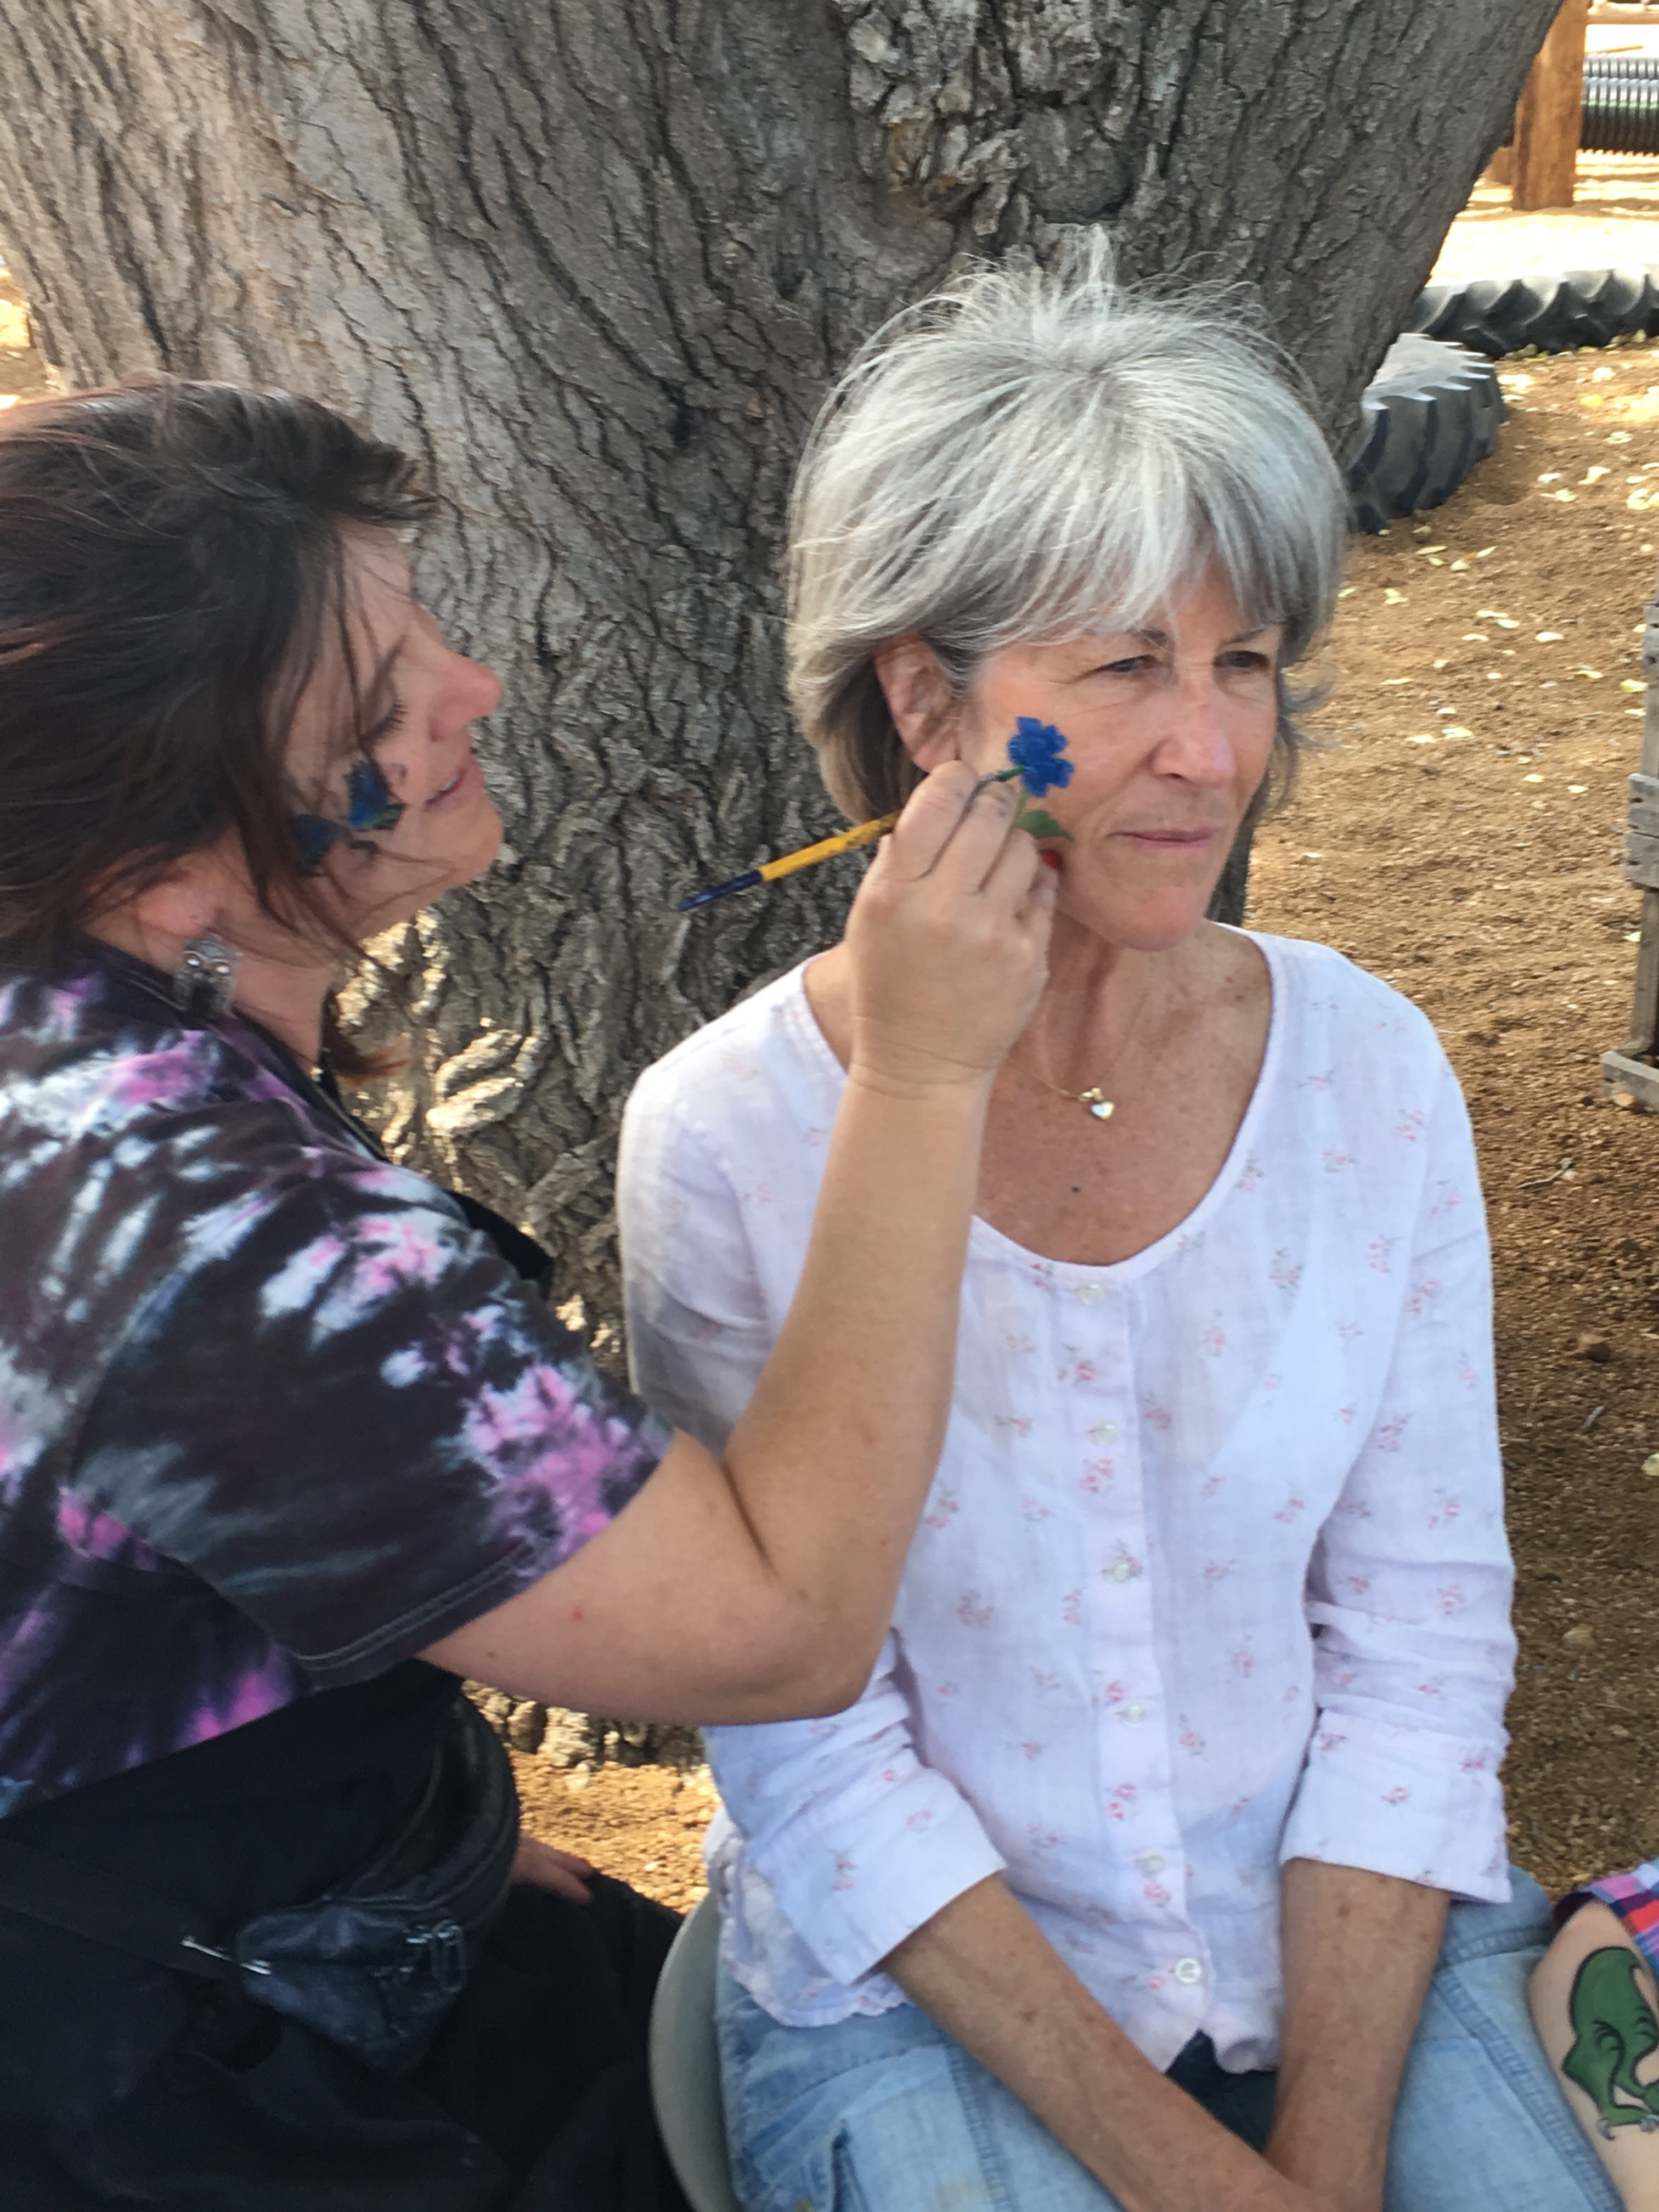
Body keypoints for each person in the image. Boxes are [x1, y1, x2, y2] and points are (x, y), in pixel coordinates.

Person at [619, 253, 1617, 2212]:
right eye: (1127, 668)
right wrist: (1195, 2180)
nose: (1213, 752)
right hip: (923, 1994)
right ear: (929, 701)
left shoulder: (1367, 1069)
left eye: (1244, 664)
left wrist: (1325, 2156)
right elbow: (812, 1745)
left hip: (1364, 1936)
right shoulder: (727, 1139)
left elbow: (1418, 1635)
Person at [0, 377, 1054, 2209]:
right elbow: (778, 1630)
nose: (472, 688)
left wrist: (390, 1834)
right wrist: (921, 1072)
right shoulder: (231, 1245)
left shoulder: (59, 1037)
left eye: (424, 625)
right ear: (159, 861)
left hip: (266, 1903)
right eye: (378, 703)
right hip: (143, 2079)